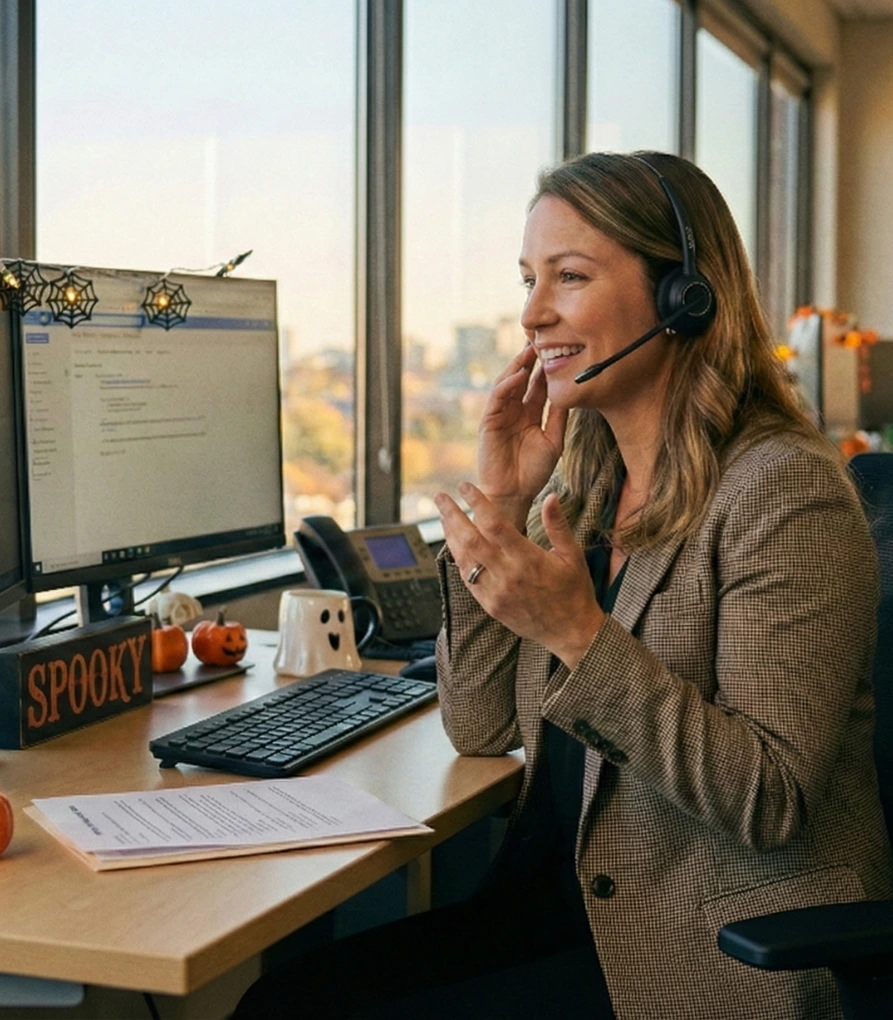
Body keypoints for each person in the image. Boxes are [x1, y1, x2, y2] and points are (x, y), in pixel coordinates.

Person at [233, 151, 892, 1020]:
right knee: (286, 998)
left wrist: (579, 634)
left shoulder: (782, 490)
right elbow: (479, 725)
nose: (532, 313)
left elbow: (767, 798)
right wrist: (501, 505)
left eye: (569, 276)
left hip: (717, 950)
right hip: (579, 908)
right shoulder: (583, 495)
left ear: (683, 296)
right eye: (527, 279)